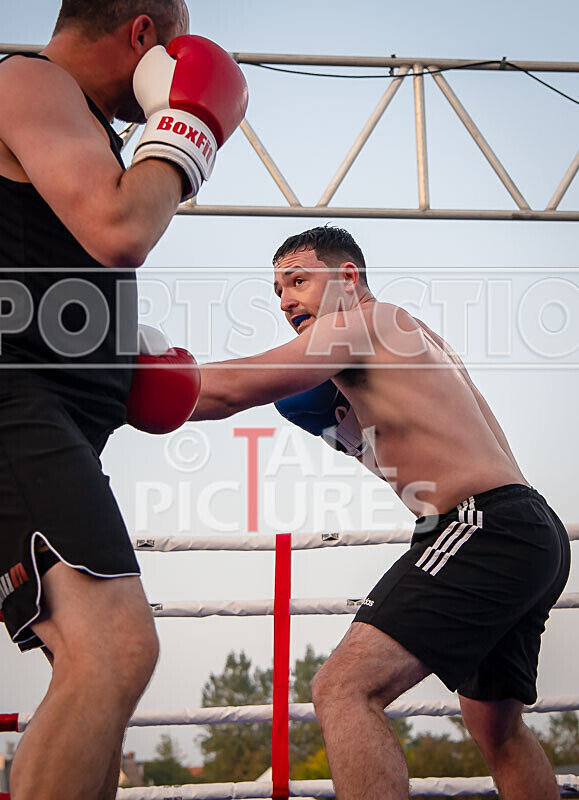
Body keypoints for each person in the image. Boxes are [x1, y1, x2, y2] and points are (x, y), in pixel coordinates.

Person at [190, 226, 570, 799]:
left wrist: (107, 381)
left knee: (344, 689)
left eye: (299, 280)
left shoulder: (362, 322)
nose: (287, 300)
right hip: (528, 525)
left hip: (480, 525)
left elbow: (228, 390)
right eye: (277, 291)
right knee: (498, 728)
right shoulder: (415, 337)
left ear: (347, 279)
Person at [0, 2, 247, 798]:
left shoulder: (74, 131)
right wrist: (187, 126)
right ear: (144, 36)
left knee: (91, 670)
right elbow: (119, 226)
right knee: (117, 651)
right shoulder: (28, 81)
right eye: (168, 55)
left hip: (50, 418)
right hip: (14, 408)